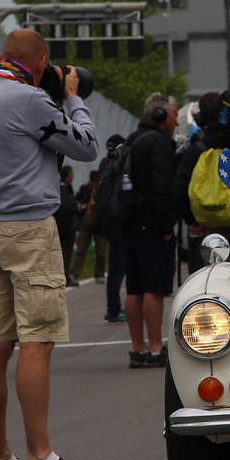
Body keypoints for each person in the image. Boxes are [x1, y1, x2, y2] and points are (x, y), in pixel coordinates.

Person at [0, 28, 100, 460]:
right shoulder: (28, 100)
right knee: (37, 340)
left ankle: (1, 455)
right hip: (28, 229)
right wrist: (73, 97)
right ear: (40, 65)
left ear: (1, 56)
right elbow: (86, 147)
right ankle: (40, 455)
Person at [120, 93, 179, 367]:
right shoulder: (159, 143)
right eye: (174, 116)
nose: (176, 122)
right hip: (151, 223)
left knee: (134, 287)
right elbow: (162, 188)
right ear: (162, 116)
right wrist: (167, 227)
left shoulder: (132, 140)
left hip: (129, 220)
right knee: (154, 288)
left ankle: (138, 348)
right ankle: (156, 349)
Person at [174, 91, 230, 276]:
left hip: (208, 227)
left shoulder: (195, 149)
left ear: (200, 116)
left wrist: (191, 220)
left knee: (212, 276)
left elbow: (179, 189)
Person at [99, 134, 127, 324]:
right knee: (117, 268)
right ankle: (113, 309)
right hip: (117, 222)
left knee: (118, 267)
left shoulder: (104, 165)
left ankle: (114, 306)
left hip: (109, 222)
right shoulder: (115, 167)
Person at [68, 169, 106, 284]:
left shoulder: (103, 189)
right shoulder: (85, 188)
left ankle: (99, 274)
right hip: (86, 223)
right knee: (81, 249)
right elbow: (75, 200)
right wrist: (83, 206)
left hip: (100, 224)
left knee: (101, 252)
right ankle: (75, 273)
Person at [55, 165, 78, 286]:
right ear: (68, 175)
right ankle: (65, 278)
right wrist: (76, 208)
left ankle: (64, 276)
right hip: (66, 227)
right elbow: (65, 207)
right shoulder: (64, 188)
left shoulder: (59, 186)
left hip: (61, 225)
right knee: (66, 253)